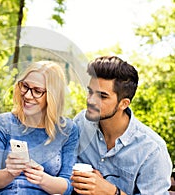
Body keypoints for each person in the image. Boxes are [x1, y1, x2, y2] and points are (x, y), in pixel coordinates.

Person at [71, 56, 172, 195]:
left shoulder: (152, 150)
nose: (90, 100)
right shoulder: (81, 122)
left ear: (124, 103)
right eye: (90, 92)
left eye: (102, 96)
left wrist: (111, 192)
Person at [0, 61, 79, 195]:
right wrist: (9, 173)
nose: (27, 95)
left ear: (53, 96)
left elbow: (68, 187)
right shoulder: (4, 123)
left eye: (37, 91)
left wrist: (42, 179)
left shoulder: (67, 130)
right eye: (25, 86)